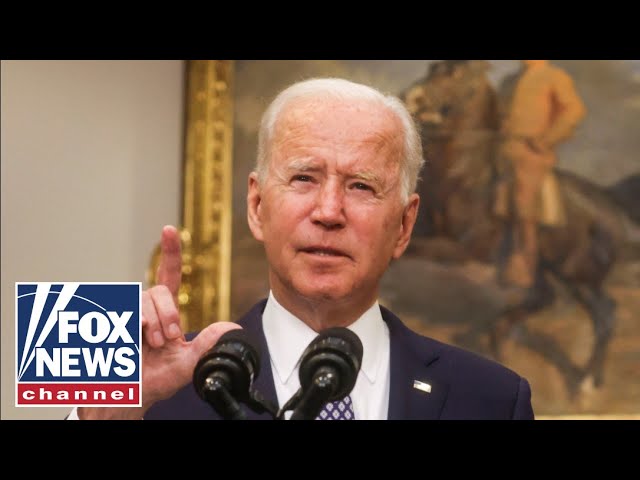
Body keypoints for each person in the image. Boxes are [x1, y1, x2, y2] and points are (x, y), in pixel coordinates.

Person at [71, 77, 534, 420]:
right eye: (304, 178)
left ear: (404, 225)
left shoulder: (493, 399)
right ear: (256, 206)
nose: (329, 211)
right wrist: (100, 410)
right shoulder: (152, 387)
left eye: (361, 186)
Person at [496, 60, 587, 289]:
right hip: (505, 151)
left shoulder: (554, 76)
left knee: (523, 205)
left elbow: (574, 110)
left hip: (532, 153)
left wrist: (546, 139)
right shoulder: (511, 80)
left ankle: (526, 269)